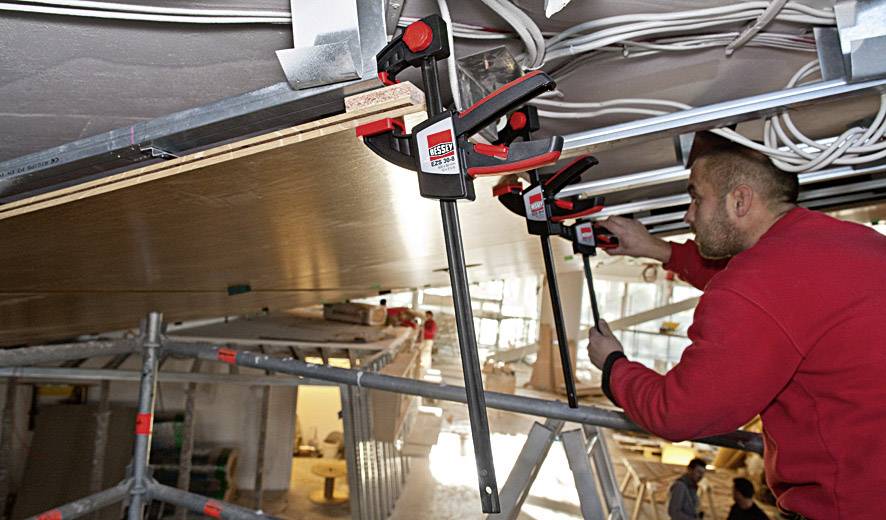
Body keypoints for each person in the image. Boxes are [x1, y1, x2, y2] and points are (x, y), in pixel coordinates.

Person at [586, 134, 886, 519]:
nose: (688, 215)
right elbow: (776, 299)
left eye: (696, 198)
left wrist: (613, 366)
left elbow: (680, 413)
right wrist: (659, 249)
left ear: (739, 200)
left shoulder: (759, 281)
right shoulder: (854, 243)